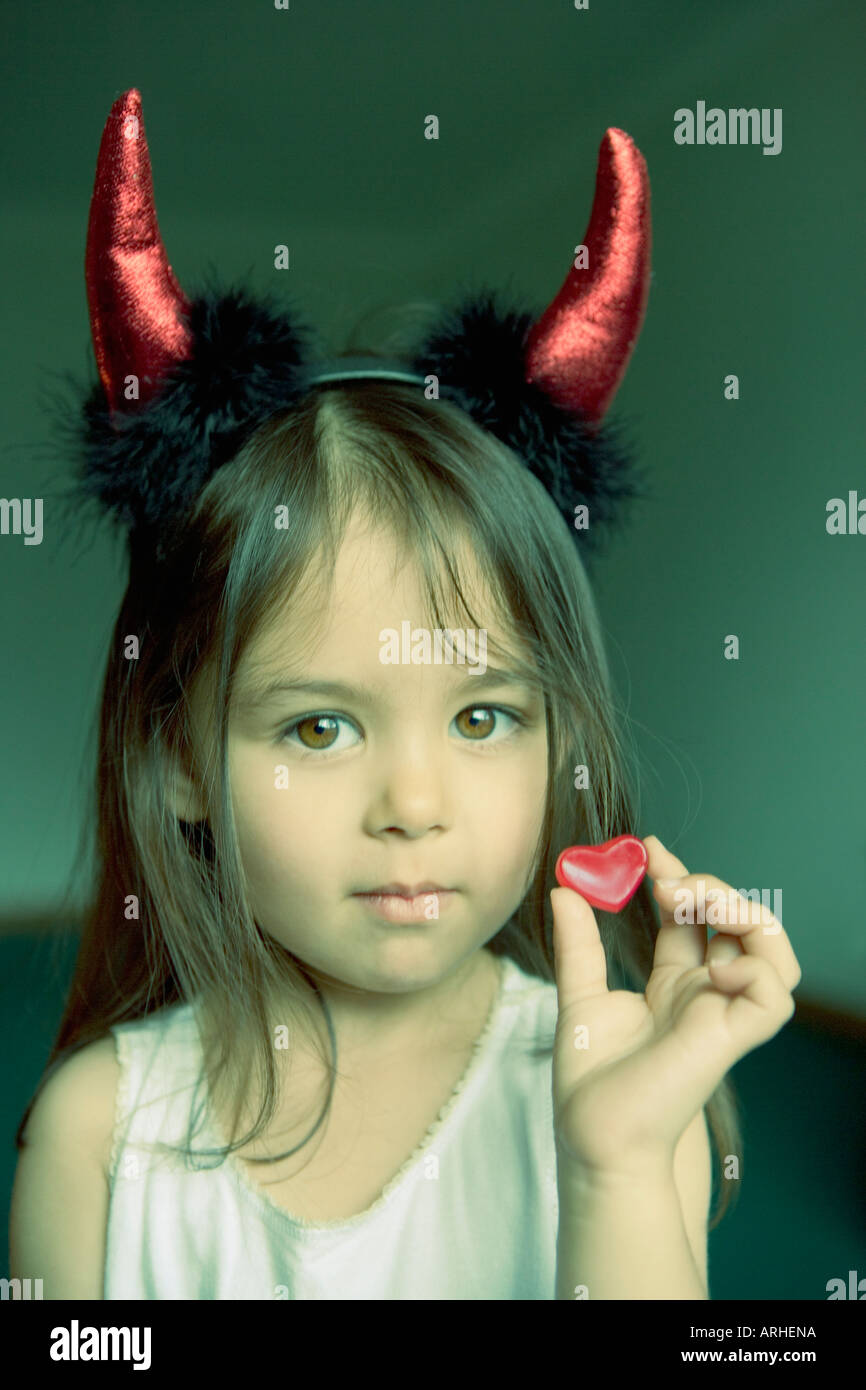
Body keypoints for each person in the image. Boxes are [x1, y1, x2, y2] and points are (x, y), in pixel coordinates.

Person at [8, 89, 800, 1301]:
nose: (414, 804)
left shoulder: (618, 1086)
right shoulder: (98, 1137)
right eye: (318, 726)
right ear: (175, 750)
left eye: (483, 716)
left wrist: (616, 1164)